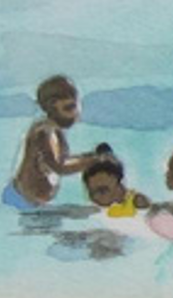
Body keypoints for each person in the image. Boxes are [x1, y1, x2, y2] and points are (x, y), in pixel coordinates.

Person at [7, 75, 110, 208]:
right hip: (24, 202)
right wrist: (95, 161)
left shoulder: (52, 130)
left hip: (29, 201)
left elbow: (62, 160)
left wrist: (89, 157)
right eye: (69, 108)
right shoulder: (45, 132)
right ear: (53, 106)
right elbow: (58, 166)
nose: (75, 115)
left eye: (75, 107)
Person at [81, 155, 153, 218]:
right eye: (91, 192)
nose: (95, 197)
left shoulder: (138, 202)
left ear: (119, 185)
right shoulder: (96, 209)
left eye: (102, 191)